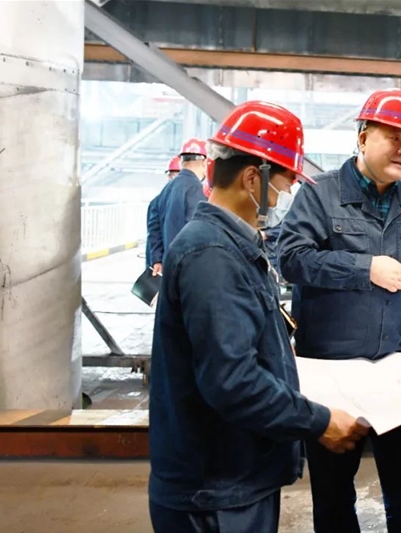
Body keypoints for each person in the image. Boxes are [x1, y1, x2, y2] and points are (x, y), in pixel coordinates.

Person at [148, 101, 369, 533]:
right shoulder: (212, 256)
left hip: (232, 480)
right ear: (253, 178)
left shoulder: (232, 246)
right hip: (215, 493)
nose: (286, 198)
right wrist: (319, 421)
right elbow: (232, 379)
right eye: (285, 186)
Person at [278, 88, 401, 533]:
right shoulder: (320, 195)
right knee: (333, 494)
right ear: (364, 137)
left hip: (396, 370)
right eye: (394, 138)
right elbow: (291, 258)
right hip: (333, 374)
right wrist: (363, 268)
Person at [148, 139, 208, 276]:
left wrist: (157, 259)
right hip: (188, 269)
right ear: (205, 162)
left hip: (169, 267)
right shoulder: (196, 189)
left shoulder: (166, 190)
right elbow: (196, 232)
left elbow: (154, 227)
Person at [145, 156, 180, 271]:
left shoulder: (158, 200)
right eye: (172, 175)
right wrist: (156, 260)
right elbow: (154, 233)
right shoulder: (157, 201)